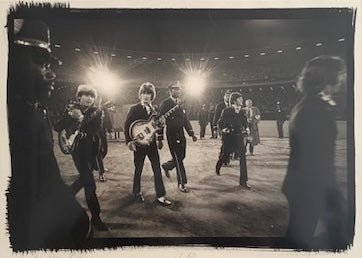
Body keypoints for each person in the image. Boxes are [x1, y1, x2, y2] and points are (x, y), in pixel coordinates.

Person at [7, 19, 89, 250]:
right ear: (12, 62)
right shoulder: (15, 118)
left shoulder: (33, 109)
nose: (52, 74)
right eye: (41, 62)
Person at [282, 56, 347, 248]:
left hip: (305, 187)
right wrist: (333, 198)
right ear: (329, 77)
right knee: (298, 242)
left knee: (300, 239)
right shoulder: (314, 109)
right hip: (310, 188)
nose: (342, 79)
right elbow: (317, 160)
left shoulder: (310, 104)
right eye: (340, 74)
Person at [54, 85, 108, 231]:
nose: (89, 99)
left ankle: (65, 196)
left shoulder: (97, 112)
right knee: (90, 183)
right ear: (79, 96)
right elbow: (58, 127)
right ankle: (96, 218)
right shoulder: (71, 109)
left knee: (83, 179)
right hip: (77, 151)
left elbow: (95, 130)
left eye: (92, 96)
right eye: (86, 95)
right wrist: (70, 116)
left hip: (91, 150)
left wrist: (82, 118)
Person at [124, 82, 172, 206]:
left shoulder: (156, 109)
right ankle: (136, 192)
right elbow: (126, 125)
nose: (146, 96)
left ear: (152, 96)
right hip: (139, 145)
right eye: (144, 93)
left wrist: (160, 137)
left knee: (157, 169)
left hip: (152, 145)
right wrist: (129, 141)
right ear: (140, 95)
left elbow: (159, 125)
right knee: (138, 169)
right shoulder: (134, 109)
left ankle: (161, 195)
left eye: (148, 93)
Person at [159, 81, 197, 193]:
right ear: (170, 91)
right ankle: (182, 183)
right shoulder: (165, 103)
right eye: (176, 89)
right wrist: (160, 138)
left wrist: (191, 133)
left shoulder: (181, 103)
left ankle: (167, 166)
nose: (178, 91)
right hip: (171, 133)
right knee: (178, 159)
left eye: (179, 89)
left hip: (181, 133)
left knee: (182, 156)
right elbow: (160, 121)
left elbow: (185, 120)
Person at [215, 92, 250, 189]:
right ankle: (218, 165)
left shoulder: (242, 111)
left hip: (239, 137)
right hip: (229, 138)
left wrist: (246, 128)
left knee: (243, 158)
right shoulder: (226, 110)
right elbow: (220, 122)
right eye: (240, 99)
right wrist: (224, 129)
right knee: (225, 155)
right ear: (234, 100)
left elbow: (244, 122)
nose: (242, 100)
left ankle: (243, 181)